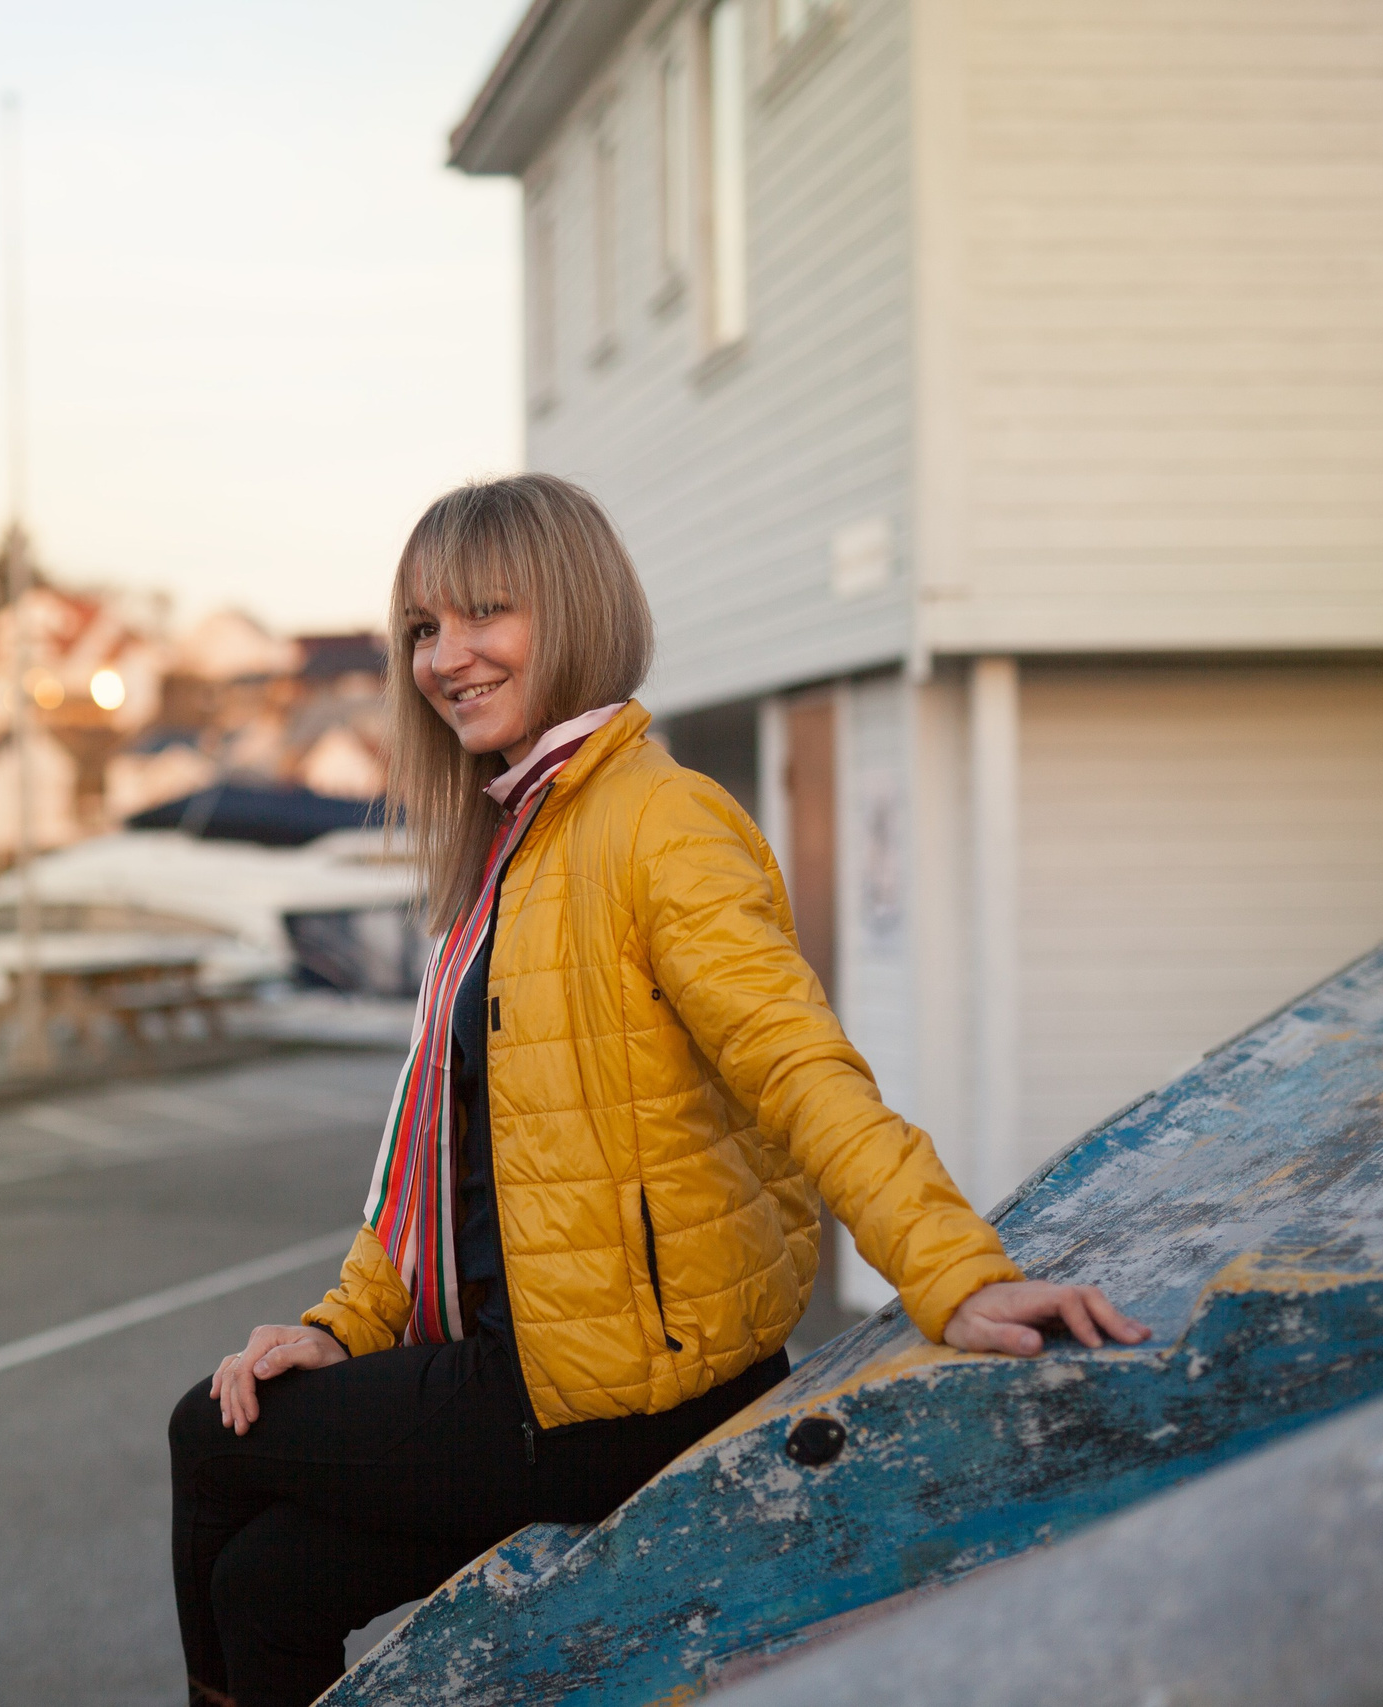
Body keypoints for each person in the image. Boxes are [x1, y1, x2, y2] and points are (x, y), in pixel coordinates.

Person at [168, 474, 1146, 1707]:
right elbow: (448, 1168)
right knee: (264, 1586)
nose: (445, 656)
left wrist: (956, 1273)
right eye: (423, 627)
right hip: (543, 1375)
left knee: (205, 1439)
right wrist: (340, 1326)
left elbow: (799, 1065)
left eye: (483, 614)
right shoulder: (510, 848)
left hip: (612, 1397)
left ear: (572, 611)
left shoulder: (659, 824)